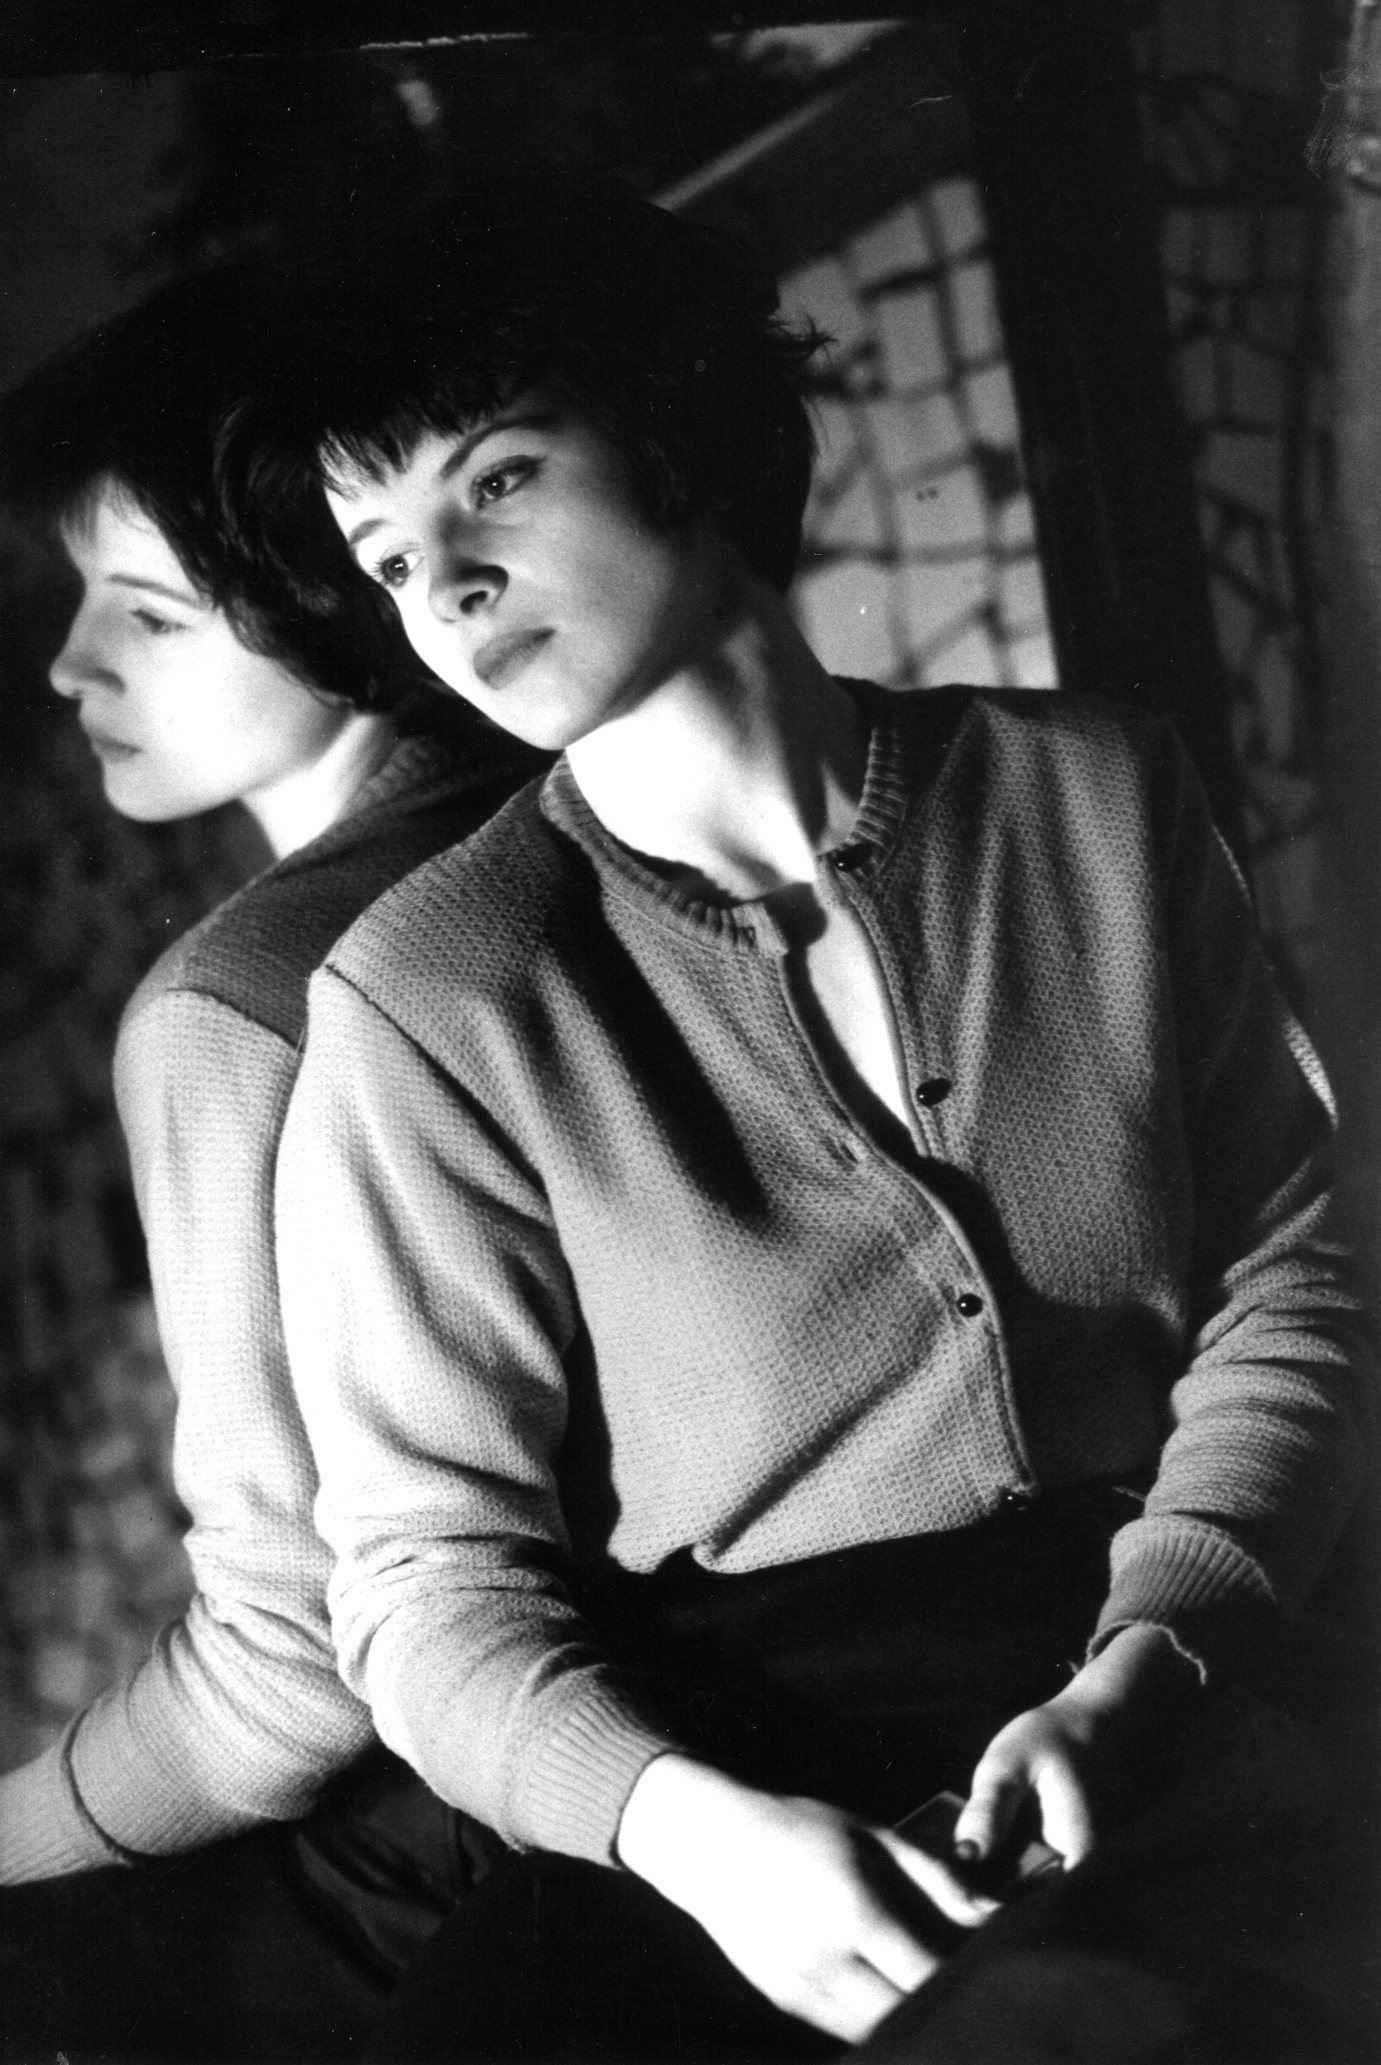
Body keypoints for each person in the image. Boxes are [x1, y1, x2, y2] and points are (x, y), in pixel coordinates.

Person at [264, 180, 1375, 2060]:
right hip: (726, 1777)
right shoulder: (423, 998)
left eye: (498, 479)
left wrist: (1156, 1654)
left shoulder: (1092, 790)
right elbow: (426, 1582)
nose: (440, 584)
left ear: (682, 432)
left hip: (1184, 1670)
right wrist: (703, 1845)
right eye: (383, 554)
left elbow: (1293, 1269)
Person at [0, 268, 540, 2062]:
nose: (71, 664)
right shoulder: (578, 823)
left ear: (336, 605)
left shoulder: (233, 1007)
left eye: (148, 613)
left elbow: (285, 1682)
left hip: (475, 1834)